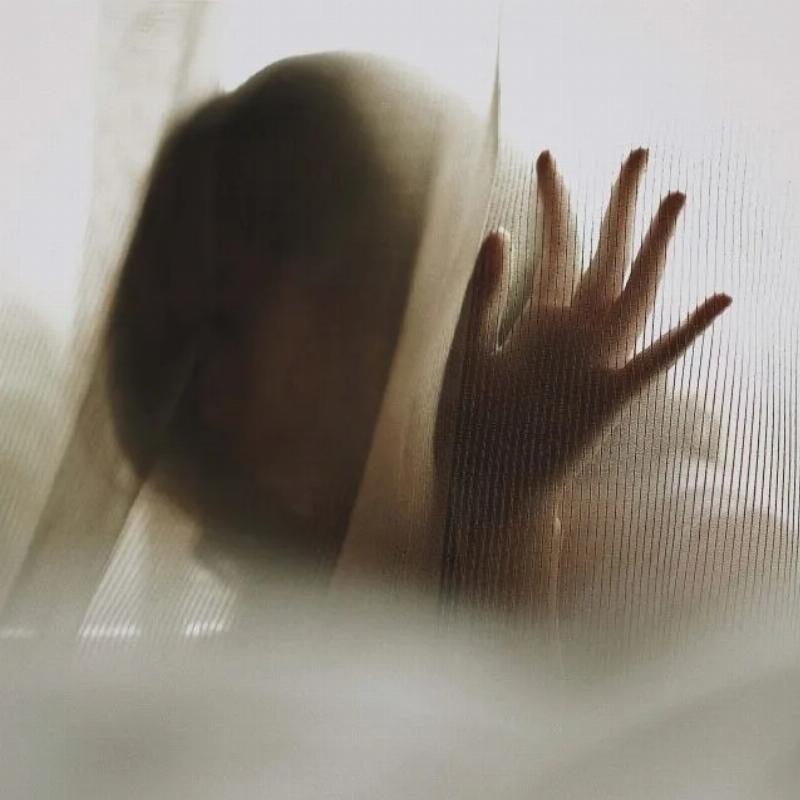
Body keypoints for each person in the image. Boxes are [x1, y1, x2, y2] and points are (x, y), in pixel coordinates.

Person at [106, 51, 730, 624]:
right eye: (181, 356)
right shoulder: (291, 616)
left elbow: (489, 730)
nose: (206, 400)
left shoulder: (683, 548)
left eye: (227, 327)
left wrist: (506, 514)